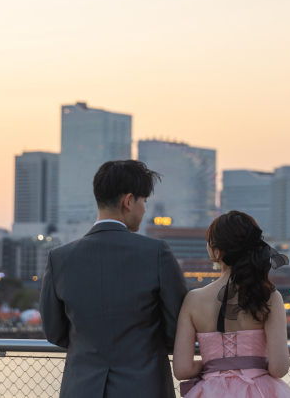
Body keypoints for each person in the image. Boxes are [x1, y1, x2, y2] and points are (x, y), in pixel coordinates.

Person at [40, 160, 189, 398]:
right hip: (144, 388)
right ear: (129, 201)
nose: (144, 209)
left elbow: (54, 331)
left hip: (81, 389)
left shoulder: (60, 258)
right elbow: (178, 328)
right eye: (144, 201)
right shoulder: (156, 253)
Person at [173, 211, 290, 398]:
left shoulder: (193, 300)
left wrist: (214, 363)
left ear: (217, 251)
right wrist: (249, 363)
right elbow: (279, 367)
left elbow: (182, 369)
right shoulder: (269, 296)